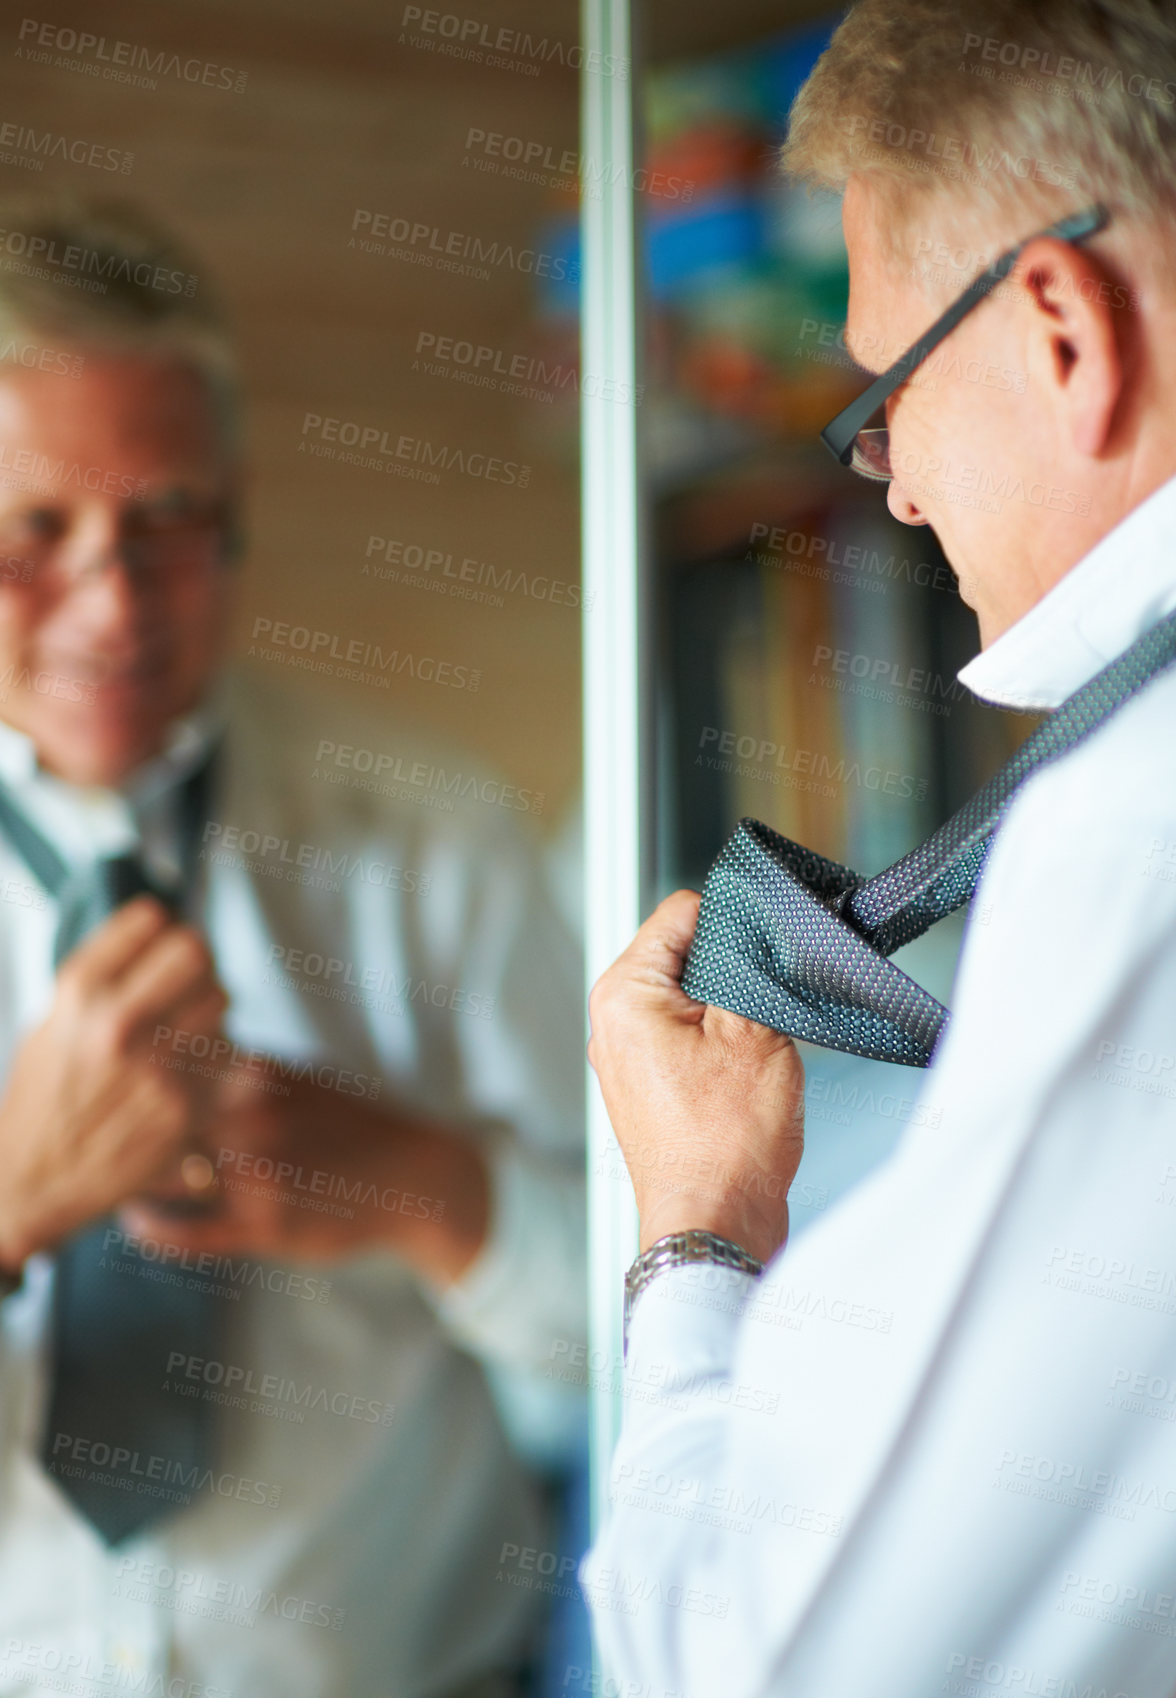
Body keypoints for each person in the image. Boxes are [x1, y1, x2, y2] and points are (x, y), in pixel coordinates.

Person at [583, 2, 1176, 1694]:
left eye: (888, 391)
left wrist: (695, 1227)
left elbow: (754, 1662)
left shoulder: (1131, 842)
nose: (895, 488)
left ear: (1060, 325)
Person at [0, 195, 586, 1698]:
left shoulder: (438, 831)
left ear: (237, 508)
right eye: (34, 529)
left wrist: (416, 1184)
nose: (113, 603)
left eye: (168, 521)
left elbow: (655, 1321)